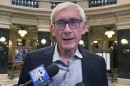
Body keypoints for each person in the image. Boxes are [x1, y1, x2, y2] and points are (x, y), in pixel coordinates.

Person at [18, 2, 108, 86]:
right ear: (53, 29)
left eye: (73, 22)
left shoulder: (97, 63)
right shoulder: (33, 59)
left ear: (84, 27)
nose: (67, 30)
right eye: (60, 23)